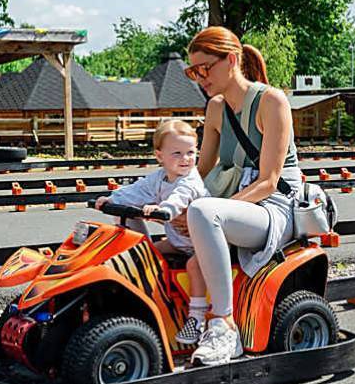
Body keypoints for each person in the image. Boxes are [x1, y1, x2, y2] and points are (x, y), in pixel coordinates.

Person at [181, 26, 302, 365]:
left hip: (274, 208)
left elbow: (269, 181)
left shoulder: (271, 101)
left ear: (232, 60)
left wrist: (205, 211)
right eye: (193, 71)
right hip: (235, 208)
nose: (200, 78)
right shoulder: (216, 108)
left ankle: (224, 326)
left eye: (205, 68)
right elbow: (199, 172)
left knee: (203, 213)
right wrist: (162, 198)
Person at [94, 120, 211, 344]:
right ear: (160, 156)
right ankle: (150, 294)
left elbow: (179, 199)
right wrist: (111, 199)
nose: (186, 159)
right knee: (149, 253)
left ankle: (197, 319)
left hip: (205, 243)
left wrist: (163, 209)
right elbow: (136, 190)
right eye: (177, 153)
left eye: (190, 152)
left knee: (194, 266)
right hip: (180, 241)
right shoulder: (159, 178)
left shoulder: (191, 181)